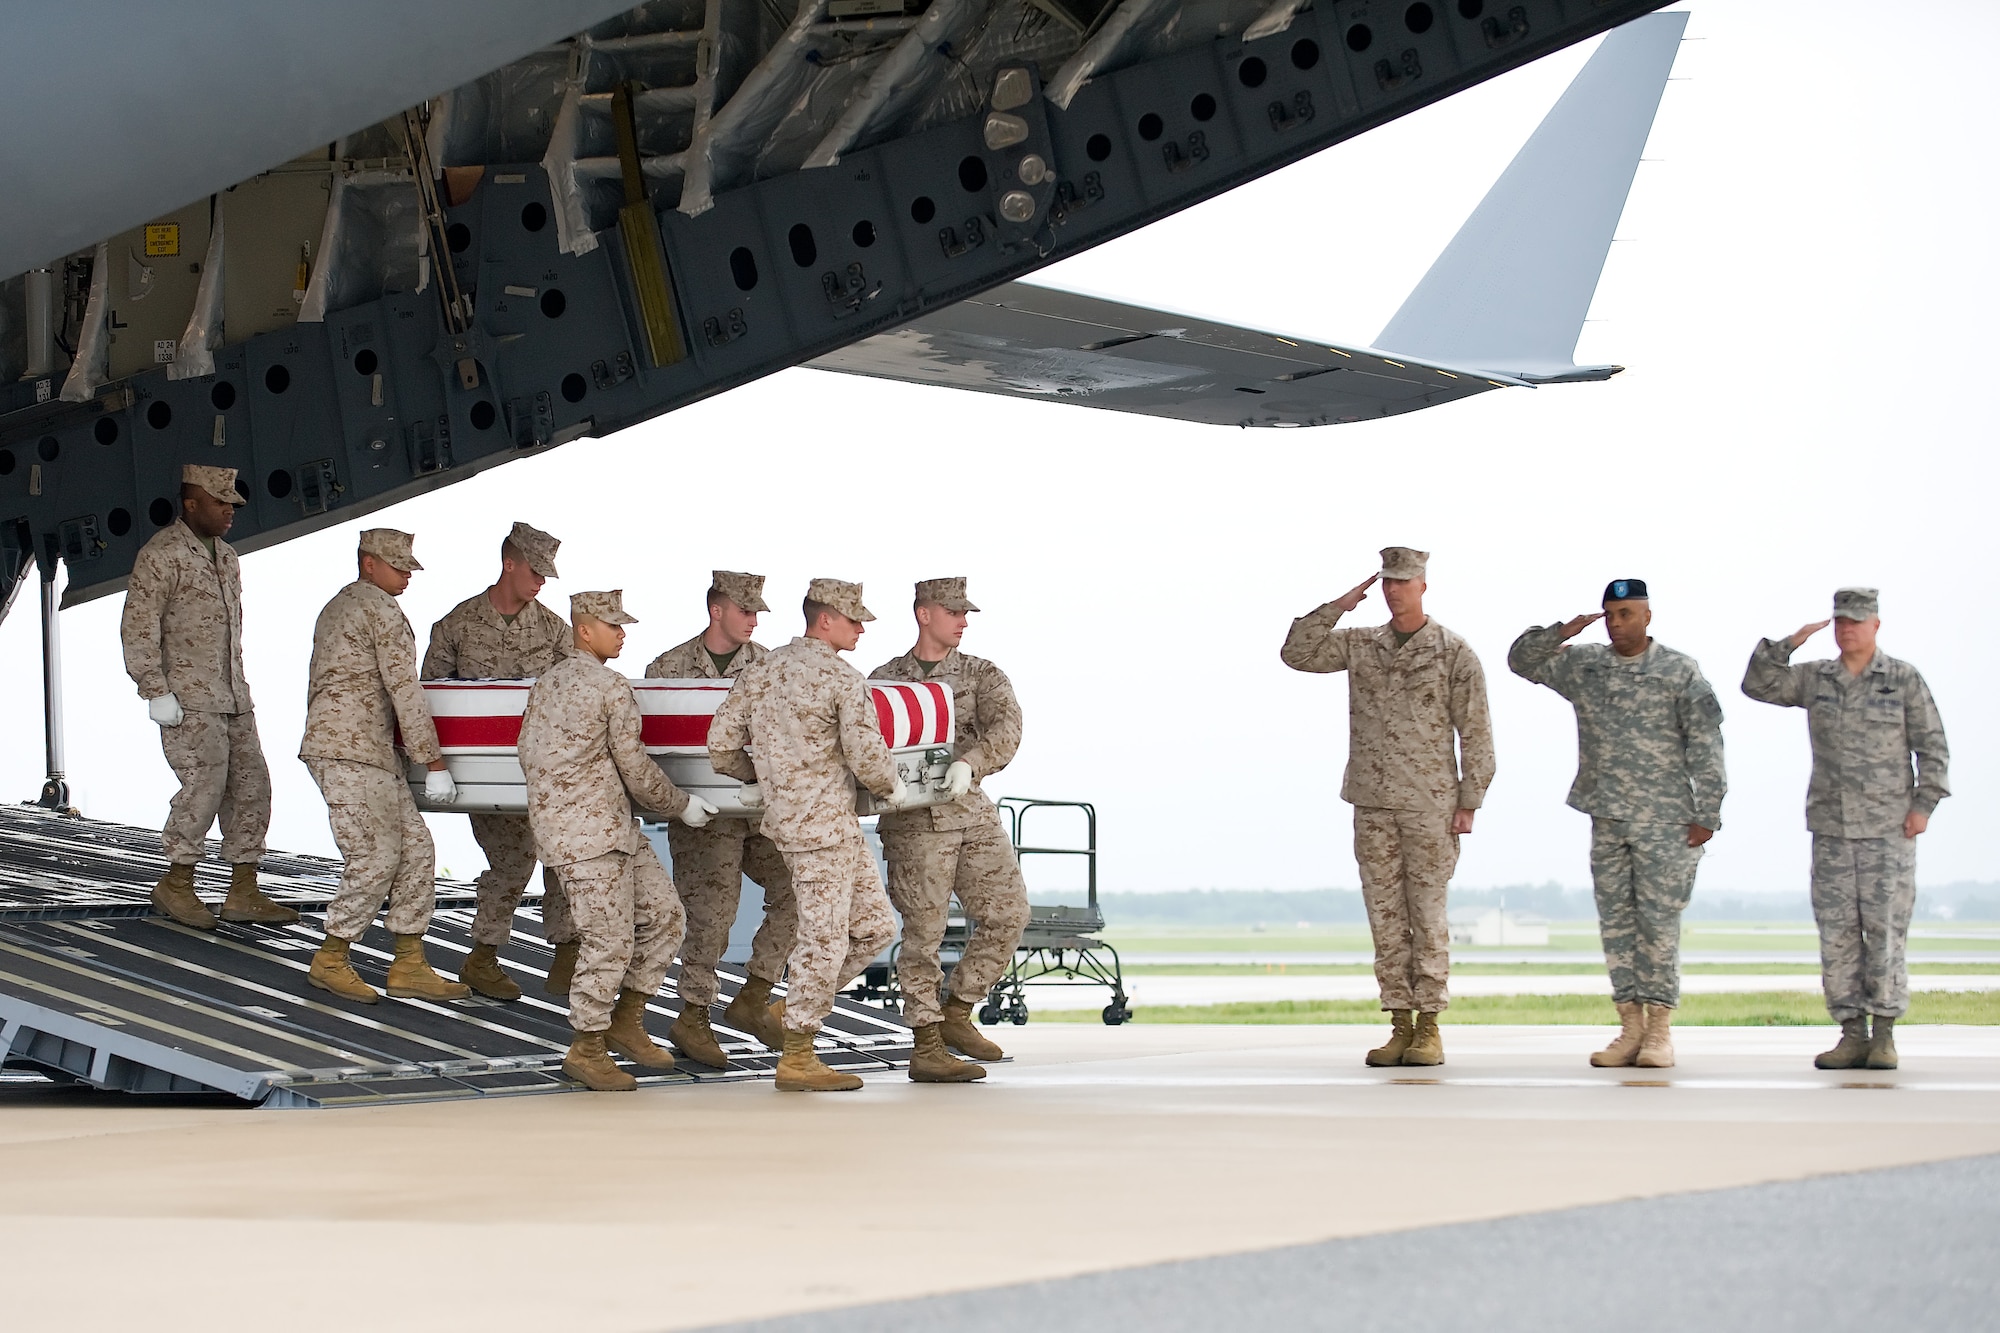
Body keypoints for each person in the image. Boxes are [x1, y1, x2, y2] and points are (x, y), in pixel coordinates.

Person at [1281, 548, 1495, 1067]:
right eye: (1387, 583)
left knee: (1426, 914)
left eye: (1405, 581)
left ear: (1423, 584)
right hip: (1373, 804)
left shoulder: (1452, 652)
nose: (1395, 590)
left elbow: (1476, 732)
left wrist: (1470, 801)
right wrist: (1339, 605)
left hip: (1429, 805)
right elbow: (1297, 653)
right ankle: (1398, 1023)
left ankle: (1429, 1028)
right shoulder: (1362, 645)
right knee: (1385, 917)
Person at [1509, 579, 1726, 1069]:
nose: (1616, 623)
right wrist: (1563, 631)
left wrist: (1706, 813)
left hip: (1666, 819)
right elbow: (1521, 660)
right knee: (1617, 925)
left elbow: (1706, 743)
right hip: (1607, 815)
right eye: (1610, 614)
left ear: (1648, 616)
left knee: (1659, 924)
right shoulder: (1587, 666)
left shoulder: (1678, 671)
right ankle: (1629, 1027)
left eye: (1626, 613)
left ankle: (1659, 1032)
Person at [708, 579, 914, 1092]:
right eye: (853, 619)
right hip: (823, 827)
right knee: (823, 938)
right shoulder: (843, 680)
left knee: (872, 926)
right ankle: (798, 1054)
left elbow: (719, 744)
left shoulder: (762, 670)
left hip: (809, 824)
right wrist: (896, 789)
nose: (861, 628)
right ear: (825, 619)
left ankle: (790, 1011)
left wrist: (764, 781)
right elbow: (868, 757)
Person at [1741, 588, 1949, 1071]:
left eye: (1855, 621)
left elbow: (1932, 746)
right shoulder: (1819, 679)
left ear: (1876, 625)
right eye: (1839, 622)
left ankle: (1884, 1036)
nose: (1846, 629)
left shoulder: (1901, 679)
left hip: (1888, 831)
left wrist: (1924, 805)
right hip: (1832, 830)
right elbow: (1758, 685)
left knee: (1885, 933)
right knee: (1836, 935)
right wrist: (1787, 643)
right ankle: (1851, 1034)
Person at [519, 590, 717, 1092]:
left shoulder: (544, 685)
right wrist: (680, 804)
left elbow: (526, 750)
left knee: (665, 915)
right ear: (584, 631)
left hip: (601, 829)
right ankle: (587, 1047)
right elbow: (634, 766)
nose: (622, 634)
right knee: (607, 940)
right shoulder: (609, 686)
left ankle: (626, 1018)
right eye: (613, 626)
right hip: (591, 834)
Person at [119, 464, 293, 928]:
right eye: (220, 503)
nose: (229, 512)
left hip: (234, 696)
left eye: (232, 504)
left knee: (253, 788)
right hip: (189, 701)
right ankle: (176, 884)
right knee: (204, 788)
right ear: (191, 504)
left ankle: (243, 889)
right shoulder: (162, 555)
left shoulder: (228, 557)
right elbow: (139, 627)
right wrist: (153, 690)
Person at [299, 529, 468, 1004]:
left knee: (416, 851)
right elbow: (405, 690)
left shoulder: (339, 605)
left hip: (368, 751)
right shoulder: (379, 608)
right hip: (351, 751)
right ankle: (331, 956)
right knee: (375, 854)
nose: (406, 576)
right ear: (368, 563)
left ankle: (409, 963)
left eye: (410, 568)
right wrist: (432, 761)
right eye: (398, 567)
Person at [871, 577, 1030, 1082]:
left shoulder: (982, 674)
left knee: (1009, 913)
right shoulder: (884, 680)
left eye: (965, 614)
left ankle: (958, 1009)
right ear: (924, 614)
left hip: (971, 813)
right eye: (954, 612)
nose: (963, 621)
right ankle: (927, 1043)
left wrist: (974, 761)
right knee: (924, 935)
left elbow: (1007, 726)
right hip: (913, 823)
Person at [642, 570, 795, 1067]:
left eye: (757, 612)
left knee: (796, 890)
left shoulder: (769, 666)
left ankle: (753, 997)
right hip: (704, 813)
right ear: (717, 611)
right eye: (745, 610)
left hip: (757, 811)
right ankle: (693, 1016)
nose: (753, 620)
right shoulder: (668, 667)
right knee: (712, 917)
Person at [421, 521, 574, 1001]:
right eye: (534, 571)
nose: (541, 582)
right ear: (509, 563)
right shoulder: (457, 625)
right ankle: (482, 957)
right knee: (512, 863)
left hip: (547, 774)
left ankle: (568, 958)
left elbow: (579, 694)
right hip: (487, 777)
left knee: (565, 856)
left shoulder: (554, 630)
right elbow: (430, 697)